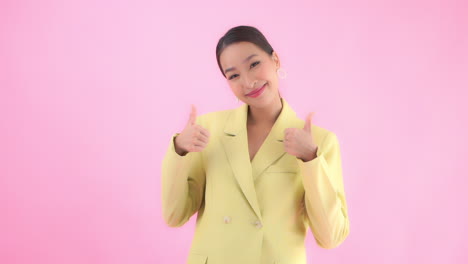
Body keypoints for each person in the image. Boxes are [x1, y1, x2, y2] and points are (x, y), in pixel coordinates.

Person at [161, 25, 350, 264]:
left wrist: (311, 159)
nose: (248, 82)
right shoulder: (208, 129)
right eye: (234, 75)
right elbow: (174, 216)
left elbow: (331, 237)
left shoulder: (320, 141)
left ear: (275, 60)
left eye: (254, 64)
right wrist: (178, 150)